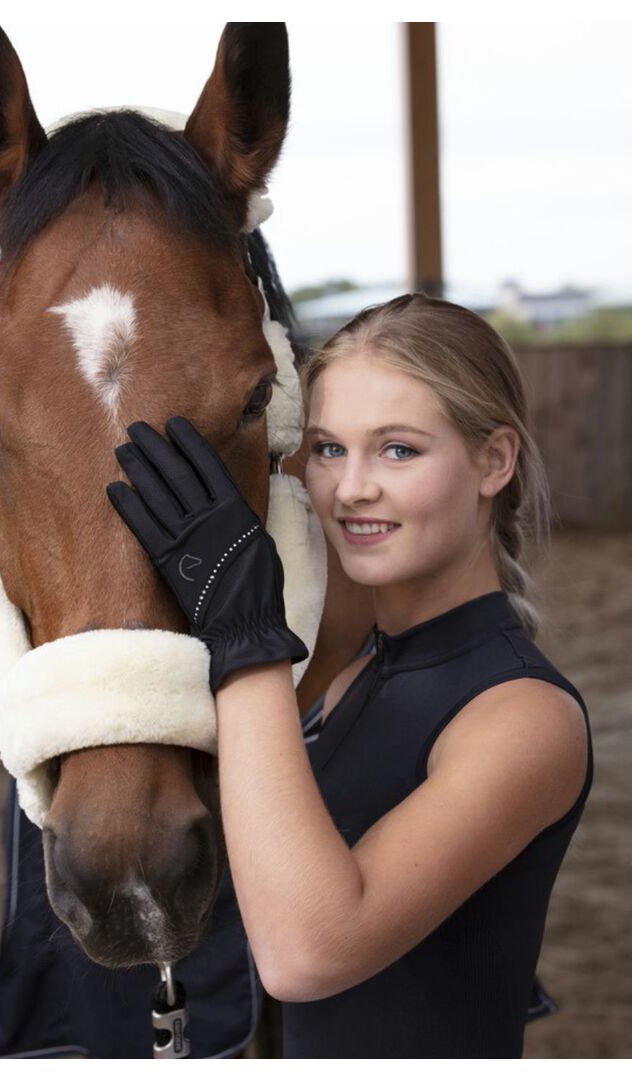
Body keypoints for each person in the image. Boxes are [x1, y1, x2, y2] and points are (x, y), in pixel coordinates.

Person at [107, 293, 593, 1058]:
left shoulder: (523, 715)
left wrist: (245, 634)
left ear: (494, 461)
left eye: (398, 449)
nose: (351, 487)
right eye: (330, 449)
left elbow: (307, 956)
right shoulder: (353, 672)